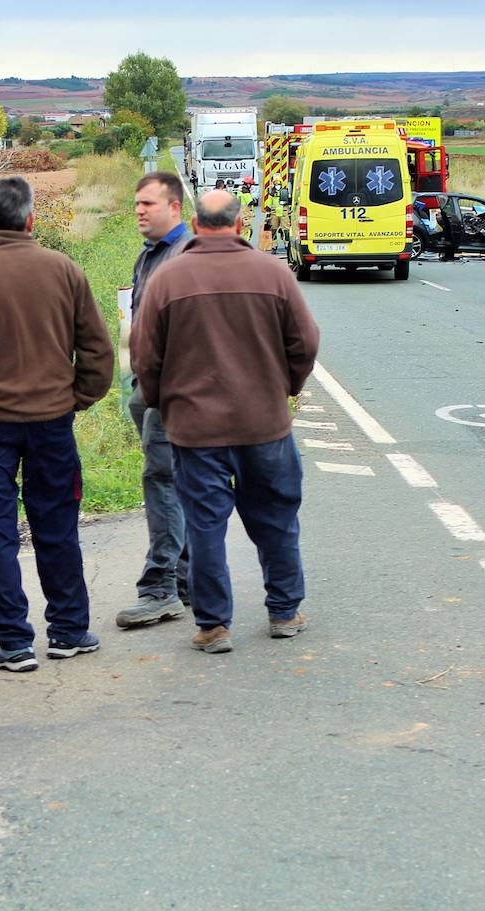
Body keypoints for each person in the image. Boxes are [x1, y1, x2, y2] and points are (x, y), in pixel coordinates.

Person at [0, 176, 114, 672]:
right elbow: (97, 348)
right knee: (57, 524)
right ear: (32, 219)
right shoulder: (65, 271)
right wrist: (78, 397)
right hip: (52, 419)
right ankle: (69, 631)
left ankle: (13, 642)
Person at [131, 190, 320, 654]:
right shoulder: (273, 273)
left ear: (194, 224)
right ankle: (284, 612)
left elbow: (144, 354)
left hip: (196, 430)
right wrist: (285, 389)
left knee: (205, 526)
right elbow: (305, 343)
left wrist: (162, 401)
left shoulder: (169, 278)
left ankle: (214, 626)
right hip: (264, 424)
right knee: (276, 519)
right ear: (239, 225)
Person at [116, 172, 193, 630]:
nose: (140, 211)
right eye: (136, 204)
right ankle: (187, 579)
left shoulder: (183, 257)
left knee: (162, 480)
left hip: (175, 390)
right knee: (176, 484)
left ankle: (161, 587)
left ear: (175, 207)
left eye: (148, 203)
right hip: (151, 388)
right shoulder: (152, 256)